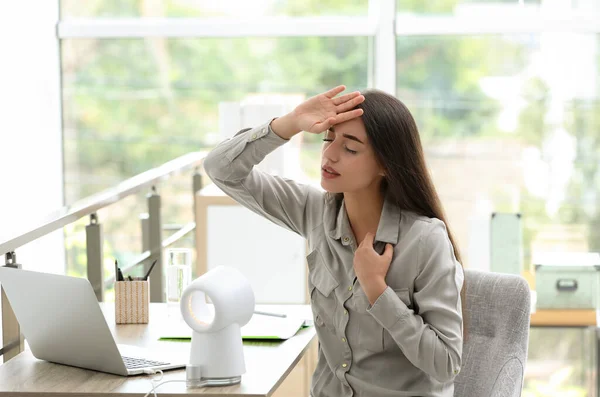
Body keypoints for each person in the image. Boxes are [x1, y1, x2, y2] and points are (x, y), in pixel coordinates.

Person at [204, 85, 465, 397]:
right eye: (328, 140)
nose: (329, 155)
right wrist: (290, 123)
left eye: (350, 148)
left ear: (386, 164)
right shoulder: (316, 212)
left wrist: (377, 290)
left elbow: (446, 363)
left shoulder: (424, 240)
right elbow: (221, 170)